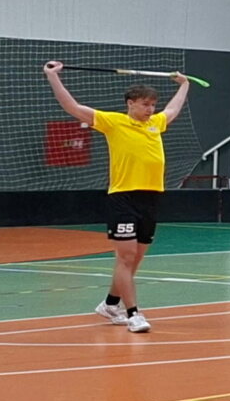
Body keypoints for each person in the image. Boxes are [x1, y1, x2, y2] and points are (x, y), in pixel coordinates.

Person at [43, 62, 188, 333]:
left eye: (152, 105)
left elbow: (173, 109)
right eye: (145, 105)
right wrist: (52, 77)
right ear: (130, 104)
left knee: (135, 259)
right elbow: (72, 107)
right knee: (126, 257)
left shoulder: (156, 123)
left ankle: (110, 304)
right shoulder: (113, 122)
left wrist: (184, 85)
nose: (150, 109)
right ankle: (133, 314)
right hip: (123, 197)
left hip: (152, 197)